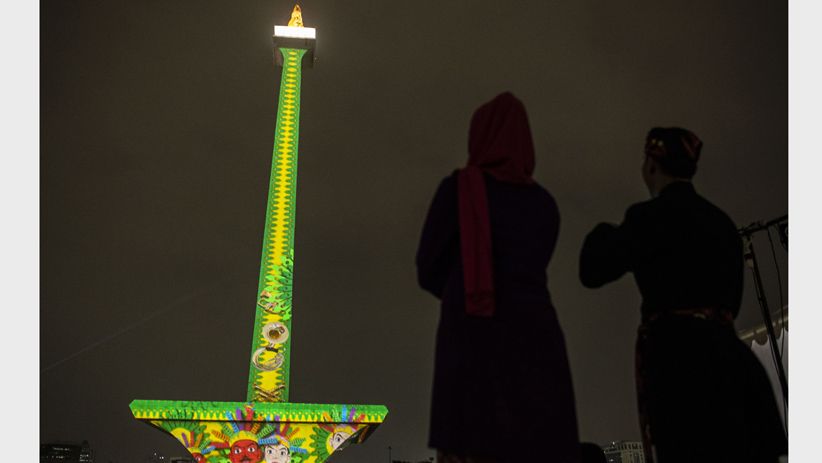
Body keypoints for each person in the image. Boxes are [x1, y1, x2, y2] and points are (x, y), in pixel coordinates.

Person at [578, 127, 788, 463]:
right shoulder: (721, 223)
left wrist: (604, 232)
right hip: (734, 366)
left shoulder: (646, 219)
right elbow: (733, 298)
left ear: (650, 166)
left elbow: (592, 270)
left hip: (679, 370)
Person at [416, 92, 580, 463]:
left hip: (473, 340)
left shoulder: (459, 189)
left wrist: (465, 287)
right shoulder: (544, 204)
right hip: (538, 343)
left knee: (472, 447)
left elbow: (427, 268)